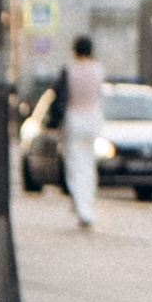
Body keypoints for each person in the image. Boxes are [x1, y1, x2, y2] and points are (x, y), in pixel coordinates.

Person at [60, 35, 107, 231]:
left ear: (75, 50)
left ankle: (82, 208)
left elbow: (62, 97)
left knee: (75, 166)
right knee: (89, 165)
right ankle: (87, 205)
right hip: (93, 120)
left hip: (74, 120)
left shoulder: (69, 70)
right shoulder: (99, 70)